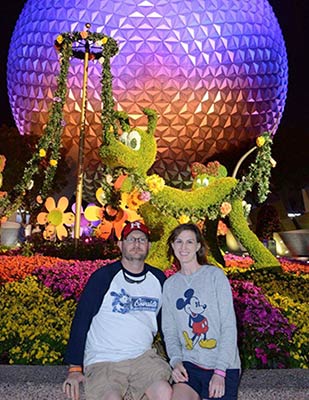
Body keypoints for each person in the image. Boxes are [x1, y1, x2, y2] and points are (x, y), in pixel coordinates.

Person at [63, 220, 172, 400]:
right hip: (104, 360)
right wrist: (75, 367)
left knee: (165, 392)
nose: (136, 244)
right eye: (131, 239)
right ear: (121, 245)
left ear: (149, 246)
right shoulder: (103, 277)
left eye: (142, 239)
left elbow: (166, 325)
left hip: (143, 358)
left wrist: (177, 359)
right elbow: (82, 320)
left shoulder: (158, 279)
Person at [162, 223, 241, 400]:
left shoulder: (215, 276)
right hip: (190, 365)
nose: (184, 247)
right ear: (172, 246)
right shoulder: (170, 285)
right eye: (179, 241)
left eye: (189, 242)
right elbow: (170, 330)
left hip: (223, 365)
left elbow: (228, 326)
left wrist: (220, 372)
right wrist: (175, 361)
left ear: (198, 246)